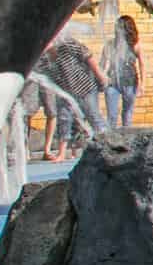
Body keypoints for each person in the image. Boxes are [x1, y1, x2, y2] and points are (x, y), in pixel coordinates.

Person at [33, 32, 107, 162]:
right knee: (64, 120)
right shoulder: (42, 59)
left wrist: (100, 76)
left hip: (85, 88)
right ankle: (61, 154)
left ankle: (107, 146)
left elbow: (87, 56)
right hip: (64, 92)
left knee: (93, 116)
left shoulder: (66, 44)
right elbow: (38, 74)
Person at [100, 15, 144, 129]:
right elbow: (102, 63)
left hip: (130, 83)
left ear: (127, 28)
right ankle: (111, 142)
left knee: (127, 114)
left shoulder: (135, 45)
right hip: (112, 83)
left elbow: (142, 64)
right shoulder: (110, 44)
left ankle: (126, 139)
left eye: (120, 27)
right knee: (112, 116)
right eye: (117, 27)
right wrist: (102, 79)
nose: (117, 30)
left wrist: (142, 84)